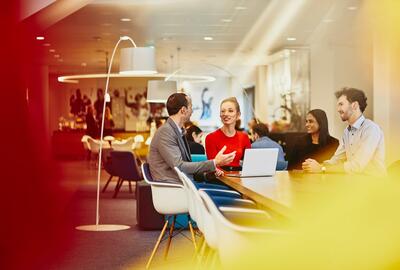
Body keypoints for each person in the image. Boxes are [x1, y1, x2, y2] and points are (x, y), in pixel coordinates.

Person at [148, 93, 235, 183]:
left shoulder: (177, 130)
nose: (192, 111)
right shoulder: (166, 132)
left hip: (183, 184)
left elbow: (185, 169)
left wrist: (208, 174)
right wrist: (214, 162)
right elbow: (180, 167)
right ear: (183, 110)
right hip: (173, 187)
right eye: (190, 107)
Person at [302, 87, 386, 176]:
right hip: (355, 183)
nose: (338, 109)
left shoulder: (371, 129)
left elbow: (356, 166)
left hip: (375, 185)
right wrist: (315, 165)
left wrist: (322, 168)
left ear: (354, 105)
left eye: (341, 104)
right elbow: (337, 159)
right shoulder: (347, 131)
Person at [205, 97, 251, 169]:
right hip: (219, 178)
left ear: (238, 115)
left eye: (230, 111)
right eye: (222, 111)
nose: (226, 114)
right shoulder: (210, 138)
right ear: (220, 115)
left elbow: (249, 164)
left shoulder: (244, 137)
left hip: (239, 177)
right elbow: (212, 167)